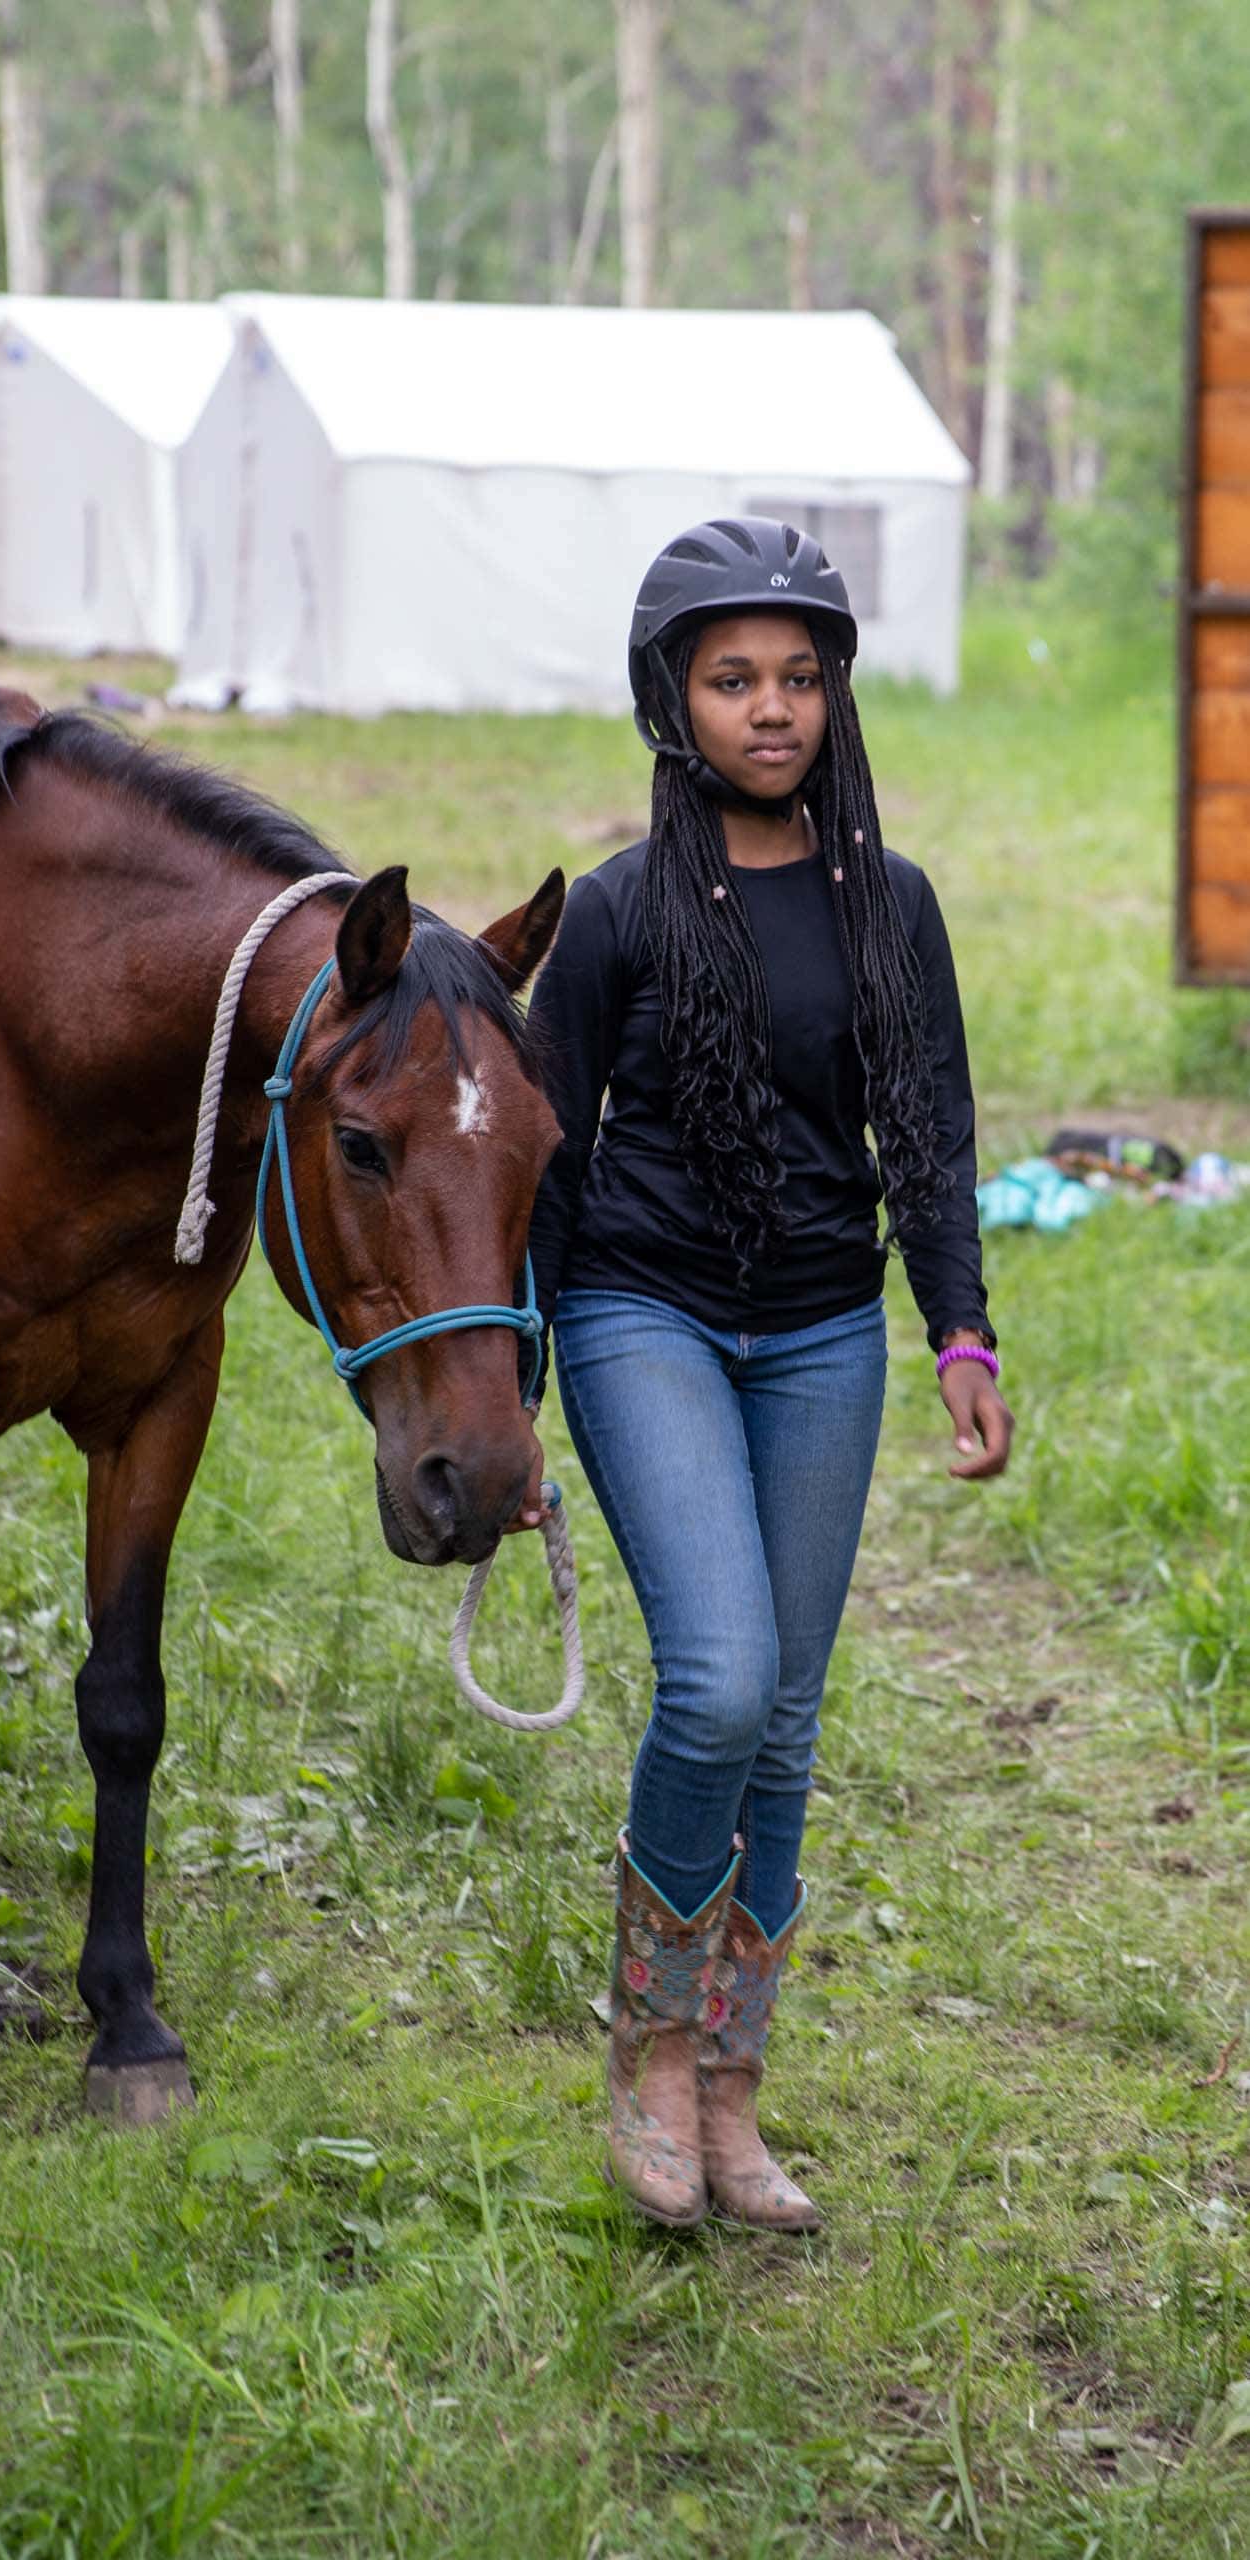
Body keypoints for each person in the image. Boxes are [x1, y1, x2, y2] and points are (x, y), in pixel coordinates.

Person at [526, 517, 1013, 2235]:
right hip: (642, 1311)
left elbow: (930, 1136)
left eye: (801, 677)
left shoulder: (891, 905)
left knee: (790, 1730)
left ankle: (733, 2098)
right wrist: (515, 1396)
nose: (773, 708)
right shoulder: (617, 911)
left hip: (820, 1331)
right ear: (672, 697)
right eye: (735, 678)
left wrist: (959, 1332)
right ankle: (650, 2056)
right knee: (722, 1682)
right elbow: (549, 1161)